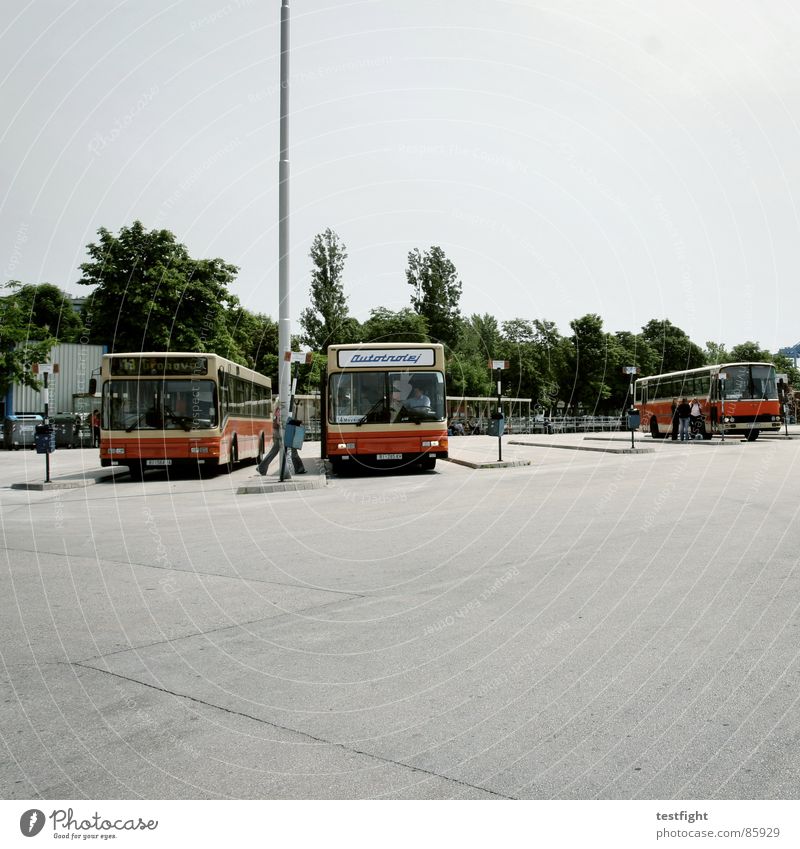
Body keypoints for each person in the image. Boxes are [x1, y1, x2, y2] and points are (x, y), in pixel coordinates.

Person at [257, 402, 305, 476]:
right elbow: (280, 422)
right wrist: (296, 423)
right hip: (281, 432)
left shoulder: (282, 406)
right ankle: (299, 468)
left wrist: (296, 422)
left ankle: (262, 468)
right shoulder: (282, 407)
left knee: (276, 451)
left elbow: (284, 420)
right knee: (292, 449)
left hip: (281, 431)